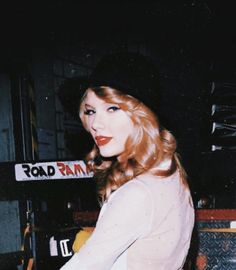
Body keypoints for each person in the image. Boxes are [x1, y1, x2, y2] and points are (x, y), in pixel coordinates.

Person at [60, 52, 195, 270]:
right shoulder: (171, 173)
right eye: (91, 111)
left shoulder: (138, 193)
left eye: (112, 108)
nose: (95, 124)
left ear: (142, 116)